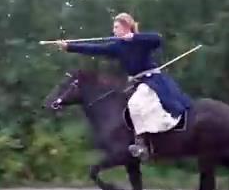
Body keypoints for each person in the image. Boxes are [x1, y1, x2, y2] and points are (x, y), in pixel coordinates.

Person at [58, 13, 192, 160]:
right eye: (114, 27)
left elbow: (157, 39)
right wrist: (69, 47)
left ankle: (142, 144)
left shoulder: (140, 41)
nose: (114, 30)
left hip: (151, 80)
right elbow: (95, 49)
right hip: (136, 81)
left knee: (135, 103)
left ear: (126, 27)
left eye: (116, 27)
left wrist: (134, 37)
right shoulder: (118, 47)